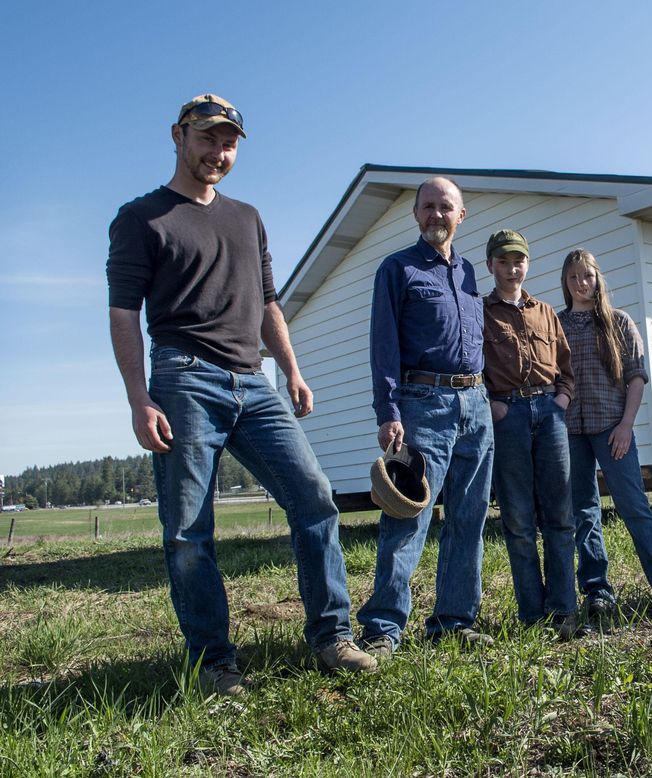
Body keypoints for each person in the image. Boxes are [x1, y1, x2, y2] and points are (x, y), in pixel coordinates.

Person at [107, 93, 375, 696]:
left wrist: (292, 368)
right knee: (188, 528)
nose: (218, 152)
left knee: (314, 498)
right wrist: (138, 398)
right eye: (207, 138)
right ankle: (214, 663)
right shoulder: (141, 218)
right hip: (183, 378)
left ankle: (332, 636)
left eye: (229, 142)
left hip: (254, 382)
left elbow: (269, 302)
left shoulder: (248, 217)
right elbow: (123, 312)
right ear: (178, 136)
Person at [358, 176, 495, 653]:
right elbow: (384, 346)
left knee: (469, 515)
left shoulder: (472, 274)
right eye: (428, 207)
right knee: (407, 517)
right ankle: (383, 629)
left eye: (446, 207)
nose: (437, 214)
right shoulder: (397, 270)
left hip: (476, 407)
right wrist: (388, 410)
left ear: (462, 216)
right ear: (415, 214)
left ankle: (454, 622)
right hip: (422, 405)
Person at [558, 249, 652, 617]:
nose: (581, 283)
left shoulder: (619, 322)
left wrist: (627, 426)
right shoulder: (557, 323)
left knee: (633, 506)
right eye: (573, 278)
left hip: (613, 429)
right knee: (583, 512)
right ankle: (596, 590)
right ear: (565, 284)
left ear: (598, 278)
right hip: (571, 434)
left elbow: (636, 377)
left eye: (587, 275)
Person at [482, 230, 585, 639]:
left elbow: (566, 367)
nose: (512, 268)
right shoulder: (480, 312)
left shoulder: (544, 312)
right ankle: (531, 615)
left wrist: (561, 398)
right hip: (508, 417)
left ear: (528, 264)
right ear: (491, 265)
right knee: (519, 518)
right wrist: (492, 403)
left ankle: (563, 611)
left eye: (518, 260)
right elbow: (471, 361)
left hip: (549, 414)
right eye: (503, 261)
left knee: (560, 516)